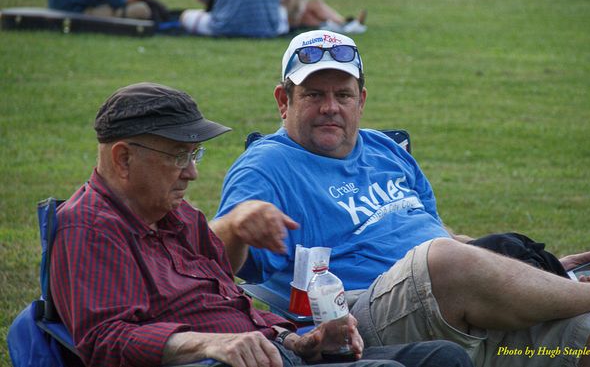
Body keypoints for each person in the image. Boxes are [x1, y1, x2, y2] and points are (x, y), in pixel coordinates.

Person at [214, 30, 590, 367]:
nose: (330, 107)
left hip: (451, 304)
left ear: (360, 101)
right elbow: (215, 265)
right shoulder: (265, 168)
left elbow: (439, 234)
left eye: (342, 95)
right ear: (282, 101)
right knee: (443, 261)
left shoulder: (386, 150)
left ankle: (585, 298)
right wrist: (234, 227)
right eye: (313, 95)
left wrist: (523, 277)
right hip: (359, 316)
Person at [49, 82, 473, 367]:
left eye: (194, 156)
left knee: (443, 357)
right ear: (123, 158)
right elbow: (104, 338)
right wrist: (208, 343)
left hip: (275, 352)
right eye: (180, 155)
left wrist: (297, 338)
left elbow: (230, 295)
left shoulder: (177, 215)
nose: (191, 174)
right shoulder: (89, 227)